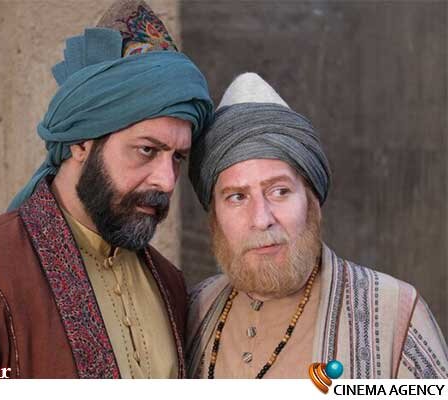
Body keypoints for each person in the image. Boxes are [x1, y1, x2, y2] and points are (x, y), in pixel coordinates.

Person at [0, 0, 212, 378]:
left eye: (177, 157)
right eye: (147, 150)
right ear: (81, 142)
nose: (166, 180)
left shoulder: (168, 284)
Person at [185, 72, 447, 379]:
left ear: (312, 202)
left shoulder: (395, 314)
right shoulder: (193, 309)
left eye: (279, 191)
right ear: (214, 217)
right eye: (237, 197)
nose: (262, 219)